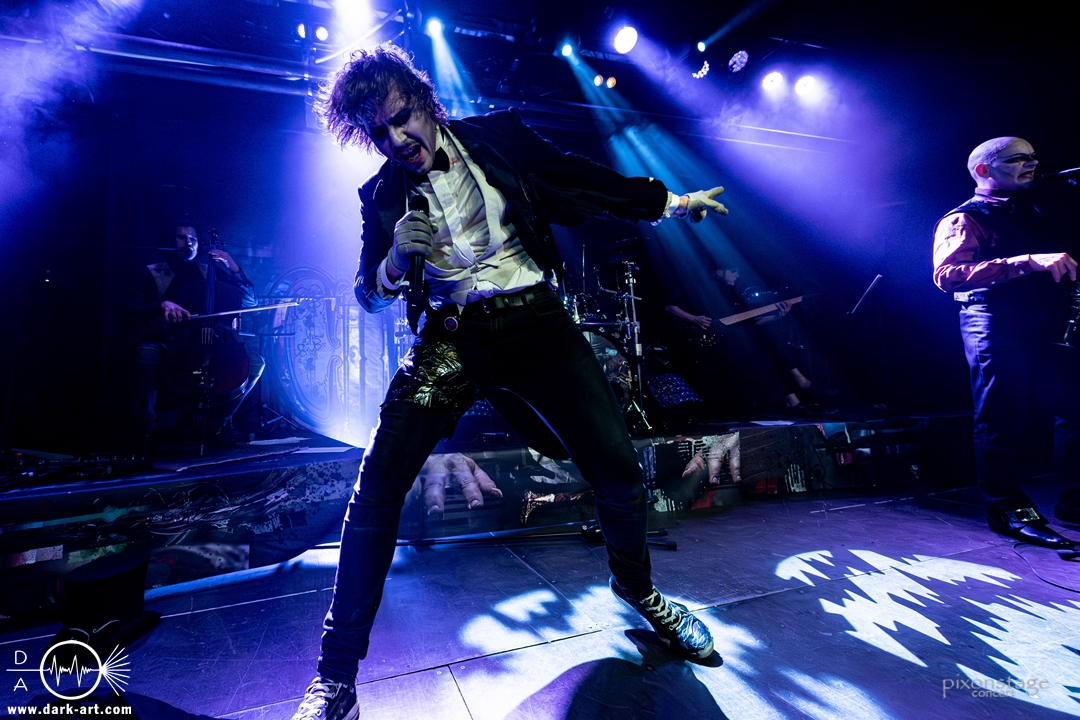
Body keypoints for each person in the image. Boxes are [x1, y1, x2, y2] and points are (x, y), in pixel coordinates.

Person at [292, 44, 728, 719]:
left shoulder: (498, 137)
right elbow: (366, 294)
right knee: (374, 491)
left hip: (536, 325)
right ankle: (334, 678)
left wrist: (671, 201)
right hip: (451, 339)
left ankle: (639, 592)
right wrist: (391, 264)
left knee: (618, 472)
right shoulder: (379, 196)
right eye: (378, 132)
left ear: (425, 100)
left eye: (402, 118)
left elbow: (579, 177)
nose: (396, 139)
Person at [933, 136, 1080, 549]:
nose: (1031, 163)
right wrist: (1026, 262)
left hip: (1045, 321)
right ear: (983, 170)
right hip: (993, 321)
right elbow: (947, 275)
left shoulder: (1031, 208)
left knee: (1073, 407)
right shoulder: (964, 218)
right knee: (1001, 414)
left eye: (1032, 157)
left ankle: (1073, 501)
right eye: (1018, 159)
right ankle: (1007, 509)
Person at [128, 222, 265, 451]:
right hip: (168, 340)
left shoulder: (209, 271)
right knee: (146, 353)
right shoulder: (152, 272)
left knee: (255, 363)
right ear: (170, 242)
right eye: (181, 238)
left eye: (193, 239)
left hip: (213, 342)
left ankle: (218, 422)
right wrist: (161, 305)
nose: (188, 243)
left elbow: (250, 302)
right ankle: (144, 431)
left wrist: (233, 267)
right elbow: (132, 311)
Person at [665, 267, 821, 416]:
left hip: (728, 340)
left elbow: (749, 324)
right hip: (698, 340)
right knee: (762, 346)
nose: (737, 275)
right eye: (733, 270)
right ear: (719, 271)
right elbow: (670, 308)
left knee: (766, 342)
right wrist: (694, 319)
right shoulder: (696, 285)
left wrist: (778, 316)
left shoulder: (733, 295)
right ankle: (798, 388)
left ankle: (794, 394)